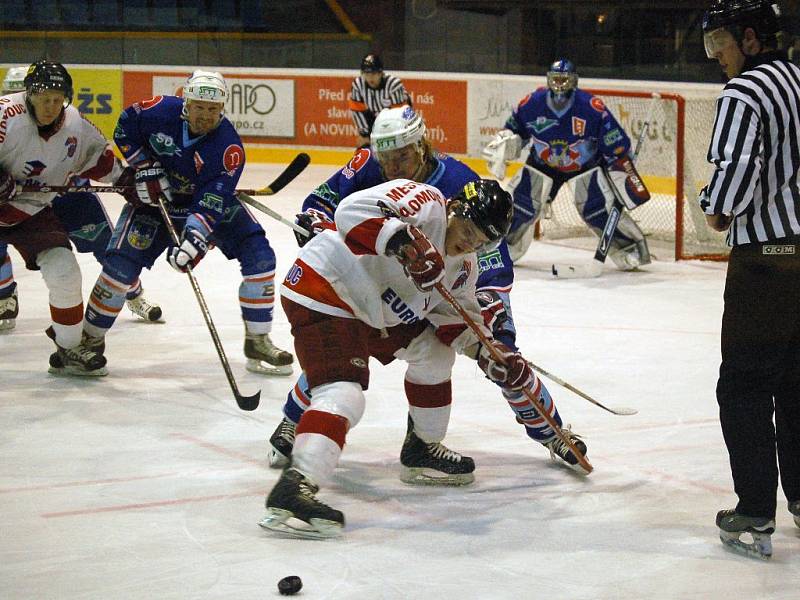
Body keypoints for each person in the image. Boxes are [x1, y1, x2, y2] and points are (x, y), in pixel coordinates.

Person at [266, 106, 589, 486]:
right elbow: (324, 205)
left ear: (421, 146)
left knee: (495, 350)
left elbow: (482, 250)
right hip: (371, 276)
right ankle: (295, 421)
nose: (391, 166)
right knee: (342, 346)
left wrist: (488, 337)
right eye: (384, 156)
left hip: (461, 279)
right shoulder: (372, 163)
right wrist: (320, 226)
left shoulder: (456, 186)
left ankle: (550, 431)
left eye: (401, 155)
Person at [259, 178, 530, 538]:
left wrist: (489, 354)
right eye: (469, 228)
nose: (471, 242)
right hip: (327, 288)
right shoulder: (426, 203)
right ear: (455, 208)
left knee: (434, 354)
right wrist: (405, 240)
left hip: (375, 314)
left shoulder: (464, 268)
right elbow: (349, 212)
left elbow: (457, 323)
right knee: (344, 393)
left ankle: (421, 448)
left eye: (482, 239)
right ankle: (296, 487)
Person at [80, 70, 294, 375]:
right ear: (185, 104)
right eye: (199, 107)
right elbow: (124, 127)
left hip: (200, 204)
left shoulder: (228, 148)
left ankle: (257, 340)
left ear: (222, 109)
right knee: (118, 270)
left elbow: (211, 202)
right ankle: (87, 342)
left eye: (212, 109)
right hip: (155, 203)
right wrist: (145, 166)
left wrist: (195, 240)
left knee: (260, 258)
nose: (205, 115)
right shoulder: (157, 111)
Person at [700, 0, 800, 560]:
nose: (718, 56)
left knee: (743, 385)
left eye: (722, 43)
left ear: (752, 39)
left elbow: (734, 180)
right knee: (796, 381)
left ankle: (756, 512)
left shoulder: (744, 93)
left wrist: (716, 207)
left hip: (766, 261)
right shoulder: (799, 79)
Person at [0, 66, 162, 332]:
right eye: (42, 97)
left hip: (69, 195)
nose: (50, 106)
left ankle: (134, 295)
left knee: (105, 245)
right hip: (18, 206)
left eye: (57, 98)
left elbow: (103, 162)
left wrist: (130, 184)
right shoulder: (8, 118)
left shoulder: (72, 126)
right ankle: (5, 296)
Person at [482, 58, 651, 269]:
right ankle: (501, 250)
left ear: (574, 81)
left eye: (564, 79)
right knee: (521, 207)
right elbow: (515, 130)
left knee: (596, 210)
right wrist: (509, 142)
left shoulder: (590, 107)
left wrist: (619, 160)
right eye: (556, 79)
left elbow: (614, 141)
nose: (560, 84)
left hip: (583, 165)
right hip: (542, 163)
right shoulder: (532, 102)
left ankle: (631, 249)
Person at [349, 53, 411, 147]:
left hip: (400, 118)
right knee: (364, 147)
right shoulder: (358, 84)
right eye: (366, 74)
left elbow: (400, 113)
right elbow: (357, 110)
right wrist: (364, 134)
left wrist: (392, 136)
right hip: (375, 116)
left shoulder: (393, 85)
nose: (370, 78)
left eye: (373, 74)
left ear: (381, 73)